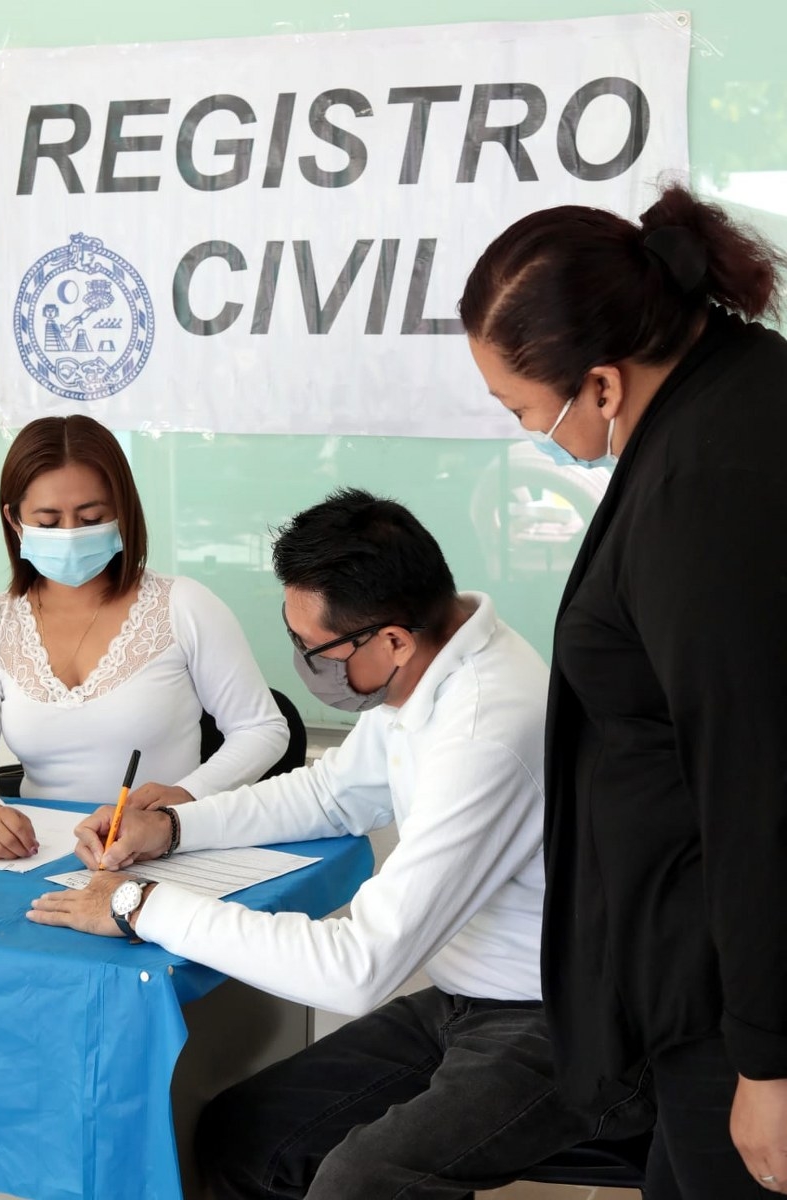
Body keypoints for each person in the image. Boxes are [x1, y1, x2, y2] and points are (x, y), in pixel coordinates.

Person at [27, 487, 654, 1198]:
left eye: (312, 648)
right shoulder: (426, 667)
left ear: (391, 640)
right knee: (245, 1136)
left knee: (361, 1182)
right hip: (464, 999)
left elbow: (355, 970)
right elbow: (331, 793)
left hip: (559, 1022)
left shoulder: (486, 727)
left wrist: (140, 906)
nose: (302, 662)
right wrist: (174, 826)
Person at [458, 182, 787, 1198]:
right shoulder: (739, 393)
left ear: (599, 383)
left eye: (521, 409)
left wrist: (766, 1064)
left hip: (729, 1008)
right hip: (700, 989)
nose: (531, 433)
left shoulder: (706, 485)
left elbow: (754, 783)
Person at [0, 415, 288, 860]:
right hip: (39, 854)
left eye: (91, 517)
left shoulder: (185, 606)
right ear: (14, 520)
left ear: (122, 510)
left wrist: (187, 796)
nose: (70, 534)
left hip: (167, 851)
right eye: (48, 520)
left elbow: (263, 729)